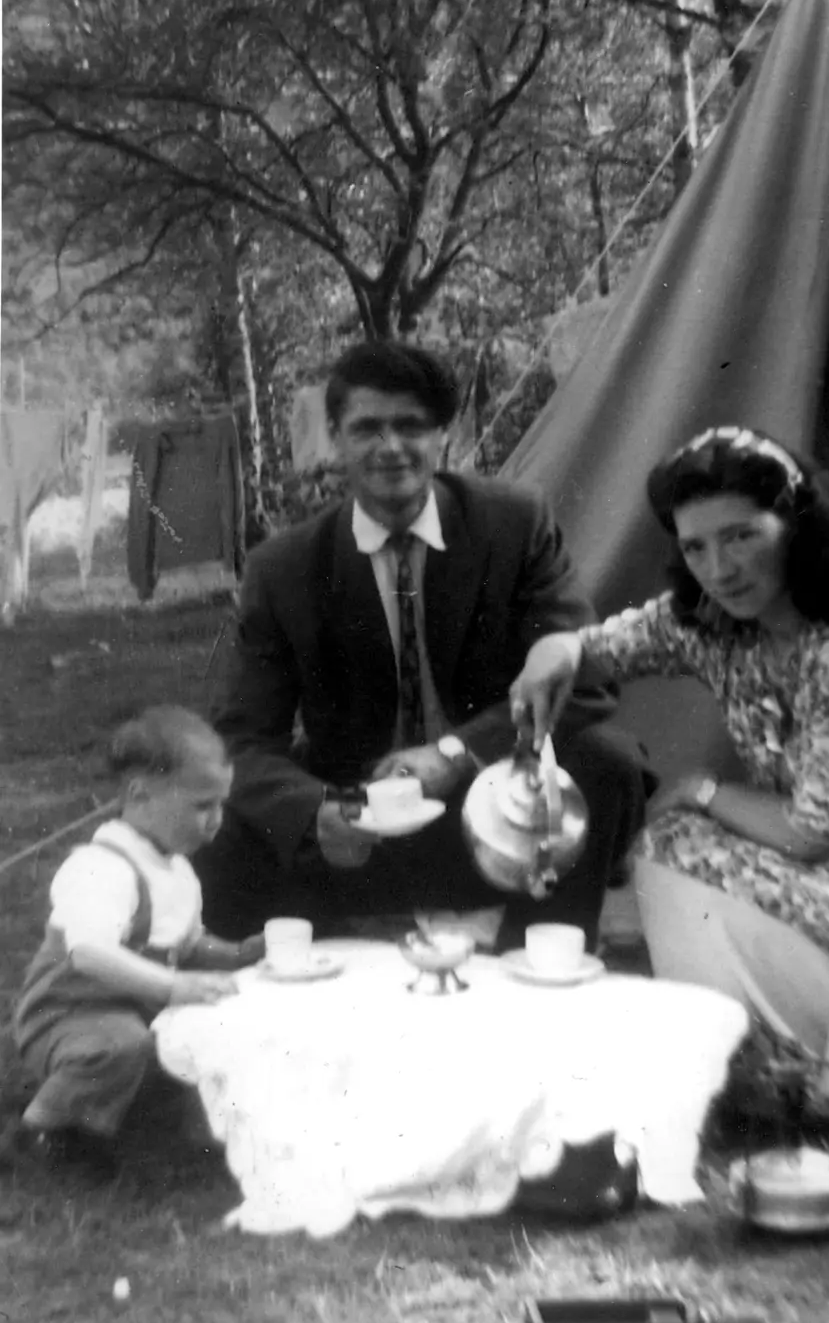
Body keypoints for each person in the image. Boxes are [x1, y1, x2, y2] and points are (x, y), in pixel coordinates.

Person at [509, 425, 829, 1098]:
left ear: (795, 523)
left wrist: (700, 788)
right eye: (695, 546)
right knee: (673, 847)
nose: (719, 568)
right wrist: (555, 651)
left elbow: (814, 833)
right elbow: (606, 647)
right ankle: (749, 1060)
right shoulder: (715, 621)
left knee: (678, 845)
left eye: (740, 535)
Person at [193, 341, 649, 952]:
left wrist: (457, 753)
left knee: (607, 761)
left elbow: (587, 681)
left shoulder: (511, 524)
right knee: (224, 822)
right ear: (335, 437)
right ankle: (269, 992)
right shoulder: (284, 568)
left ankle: (541, 963)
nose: (390, 448)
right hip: (358, 829)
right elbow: (241, 739)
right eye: (366, 428)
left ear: (443, 436)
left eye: (410, 426)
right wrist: (314, 811)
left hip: (493, 815)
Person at [11, 706, 264, 1178]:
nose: (216, 820)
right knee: (117, 1045)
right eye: (201, 806)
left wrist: (237, 954)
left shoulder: (175, 868)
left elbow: (186, 943)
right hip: (67, 1014)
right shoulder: (102, 866)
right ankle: (42, 1132)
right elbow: (87, 952)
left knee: (223, 1026)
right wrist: (171, 988)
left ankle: (151, 1109)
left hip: (130, 1008)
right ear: (139, 794)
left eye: (221, 805)